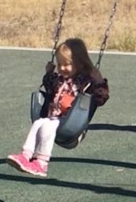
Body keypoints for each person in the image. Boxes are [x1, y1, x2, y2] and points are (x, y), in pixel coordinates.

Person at [6, 38, 109, 178]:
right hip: (54, 119)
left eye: (67, 64)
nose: (62, 68)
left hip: (73, 125)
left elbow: (101, 98)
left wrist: (98, 80)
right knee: (39, 122)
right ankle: (25, 155)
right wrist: (49, 72)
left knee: (48, 126)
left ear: (80, 63)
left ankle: (41, 163)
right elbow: (49, 86)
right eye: (59, 64)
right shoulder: (59, 80)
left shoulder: (86, 82)